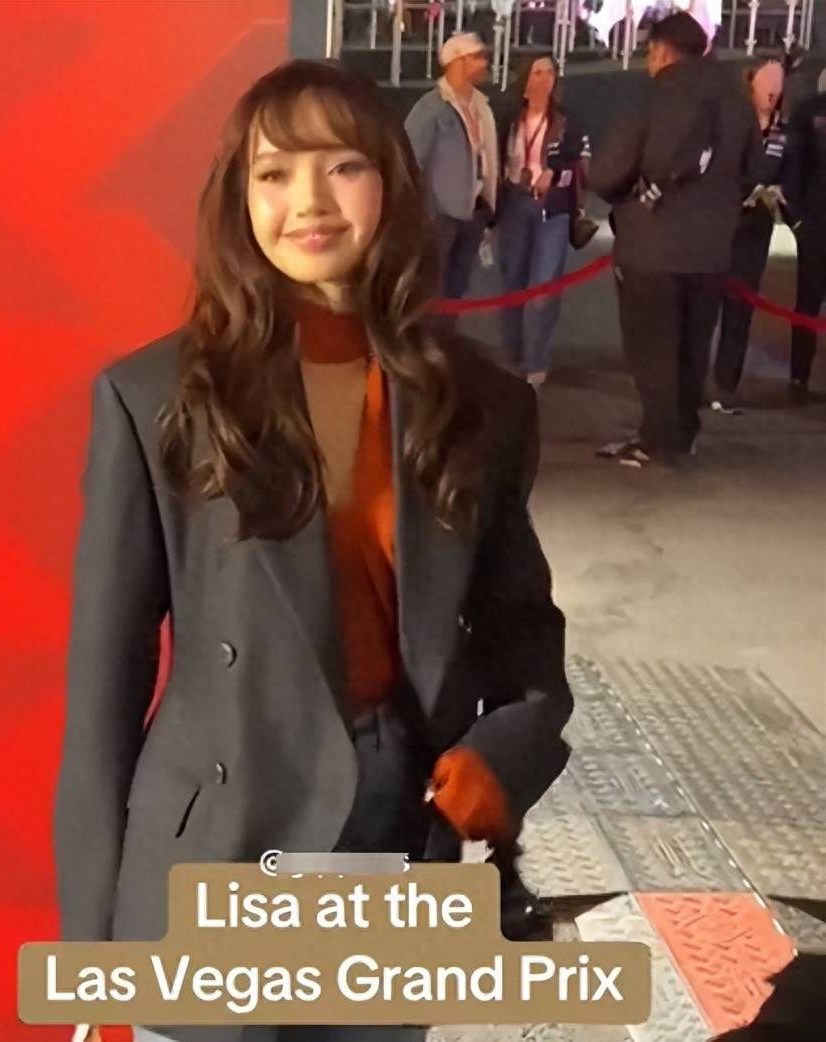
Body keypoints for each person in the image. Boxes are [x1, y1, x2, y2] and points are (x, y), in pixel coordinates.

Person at [54, 59, 572, 1042]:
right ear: (239, 198)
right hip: (215, 835)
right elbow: (103, 692)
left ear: (389, 182)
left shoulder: (482, 405)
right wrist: (91, 946)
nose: (310, 203)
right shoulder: (160, 399)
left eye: (342, 167)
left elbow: (524, 639)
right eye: (274, 174)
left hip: (390, 826)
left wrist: (502, 754)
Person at [589, 12, 761, 468]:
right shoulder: (736, 100)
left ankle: (659, 439)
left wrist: (627, 196)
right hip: (711, 251)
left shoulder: (653, 96)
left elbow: (605, 173)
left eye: (649, 53)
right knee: (693, 345)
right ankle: (684, 433)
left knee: (653, 346)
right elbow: (754, 170)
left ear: (663, 51)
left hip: (651, 247)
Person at [496, 53, 591, 388]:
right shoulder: (507, 119)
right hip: (514, 204)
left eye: (550, 72)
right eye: (538, 72)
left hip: (553, 209)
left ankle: (536, 362)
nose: (545, 78)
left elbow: (582, 163)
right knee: (512, 284)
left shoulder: (568, 122)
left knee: (543, 289)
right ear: (524, 81)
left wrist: (556, 172)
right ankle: (511, 357)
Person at [710, 60, 787, 414]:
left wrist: (780, 194)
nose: (772, 90)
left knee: (740, 311)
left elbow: (790, 173)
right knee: (704, 308)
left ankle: (726, 386)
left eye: (778, 84)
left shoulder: (783, 134)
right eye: (767, 82)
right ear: (751, 83)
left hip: (756, 231)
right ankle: (687, 384)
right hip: (722, 227)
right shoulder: (731, 125)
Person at [404, 32, 498, 313]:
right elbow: (409, 160)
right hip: (440, 217)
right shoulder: (430, 107)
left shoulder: (481, 105)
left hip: (474, 211)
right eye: (476, 57)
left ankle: (446, 335)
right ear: (457, 62)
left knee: (457, 287)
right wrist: (425, 211)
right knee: (433, 289)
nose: (484, 63)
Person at [782, 69, 826, 401]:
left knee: (807, 303)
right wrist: (797, 221)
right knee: (807, 303)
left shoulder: (806, 112)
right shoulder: (808, 113)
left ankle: (799, 378)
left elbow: (792, 169)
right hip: (813, 224)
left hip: (811, 223)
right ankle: (798, 378)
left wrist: (797, 221)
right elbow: (793, 169)